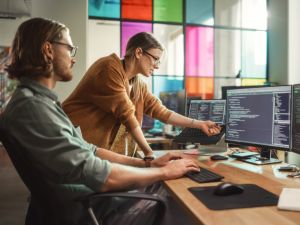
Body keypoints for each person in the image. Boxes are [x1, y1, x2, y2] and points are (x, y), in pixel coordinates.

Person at [0, 17, 200, 225]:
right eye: (70, 48)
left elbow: (90, 150)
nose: (73, 58)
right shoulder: (33, 108)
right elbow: (99, 173)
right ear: (48, 50)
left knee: (166, 184)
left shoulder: (42, 103)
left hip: (86, 198)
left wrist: (147, 163)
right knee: (181, 203)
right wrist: (163, 170)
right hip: (88, 207)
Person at [62, 32, 221, 158]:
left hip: (97, 157)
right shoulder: (109, 68)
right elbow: (127, 115)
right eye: (156, 59)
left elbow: (162, 112)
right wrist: (150, 154)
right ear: (139, 52)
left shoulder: (137, 84)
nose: (157, 66)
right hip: (73, 150)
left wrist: (200, 124)